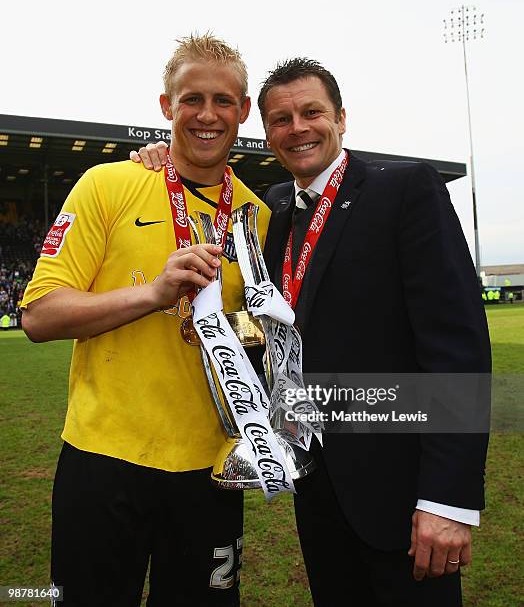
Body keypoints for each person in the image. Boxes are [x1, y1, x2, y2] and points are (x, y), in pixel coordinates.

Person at [136, 57, 491, 606]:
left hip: (402, 494)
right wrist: (160, 157)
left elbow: (457, 346)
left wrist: (446, 500)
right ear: (267, 132)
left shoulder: (405, 191)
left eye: (311, 112)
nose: (297, 128)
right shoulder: (276, 209)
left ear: (342, 118)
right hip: (317, 488)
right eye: (280, 119)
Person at [21, 34, 270, 607]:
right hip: (104, 463)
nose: (207, 115)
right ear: (166, 106)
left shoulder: (258, 214)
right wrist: (155, 293)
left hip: (212, 470)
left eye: (223, 101)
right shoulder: (108, 184)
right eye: (191, 99)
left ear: (243, 112)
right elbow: (38, 315)